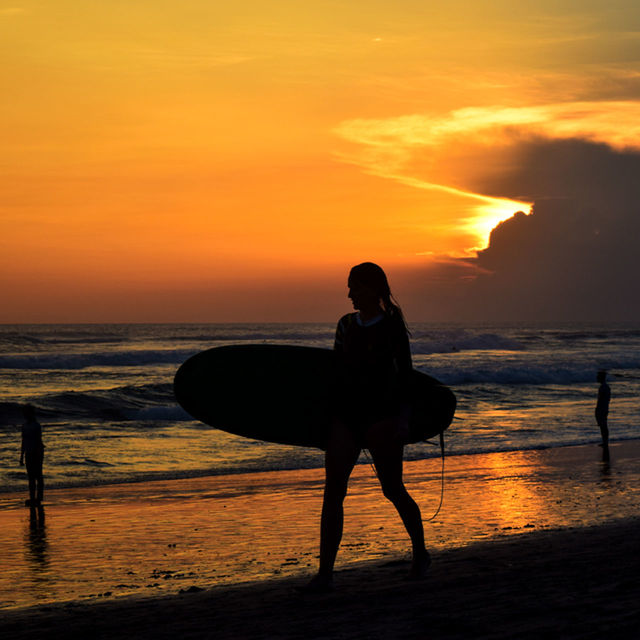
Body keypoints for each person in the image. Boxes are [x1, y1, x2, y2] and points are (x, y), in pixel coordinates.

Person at [304, 262, 430, 592]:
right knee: (333, 493)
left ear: (373, 289)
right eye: (349, 287)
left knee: (392, 489)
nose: (349, 294)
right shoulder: (345, 325)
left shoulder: (391, 328)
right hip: (347, 415)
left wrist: (403, 419)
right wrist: (324, 423)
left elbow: (405, 377)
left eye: (355, 287)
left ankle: (421, 554)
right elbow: (335, 374)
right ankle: (325, 574)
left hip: (382, 415)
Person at [19, 404, 45, 507]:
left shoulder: (36, 426)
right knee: (30, 477)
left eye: (26, 412)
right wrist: (21, 456)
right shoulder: (24, 426)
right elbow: (23, 441)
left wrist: (39, 454)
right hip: (29, 453)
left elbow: (39, 440)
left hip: (37, 452)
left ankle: (38, 498)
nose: (24, 414)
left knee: (38, 475)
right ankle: (32, 498)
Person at [596, 370, 611, 460]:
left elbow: (601, 400)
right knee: (603, 425)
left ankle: (605, 442)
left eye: (598, 377)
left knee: (603, 425)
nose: (597, 378)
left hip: (603, 409)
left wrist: (598, 409)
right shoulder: (605, 387)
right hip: (604, 408)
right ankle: (605, 441)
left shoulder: (603, 387)